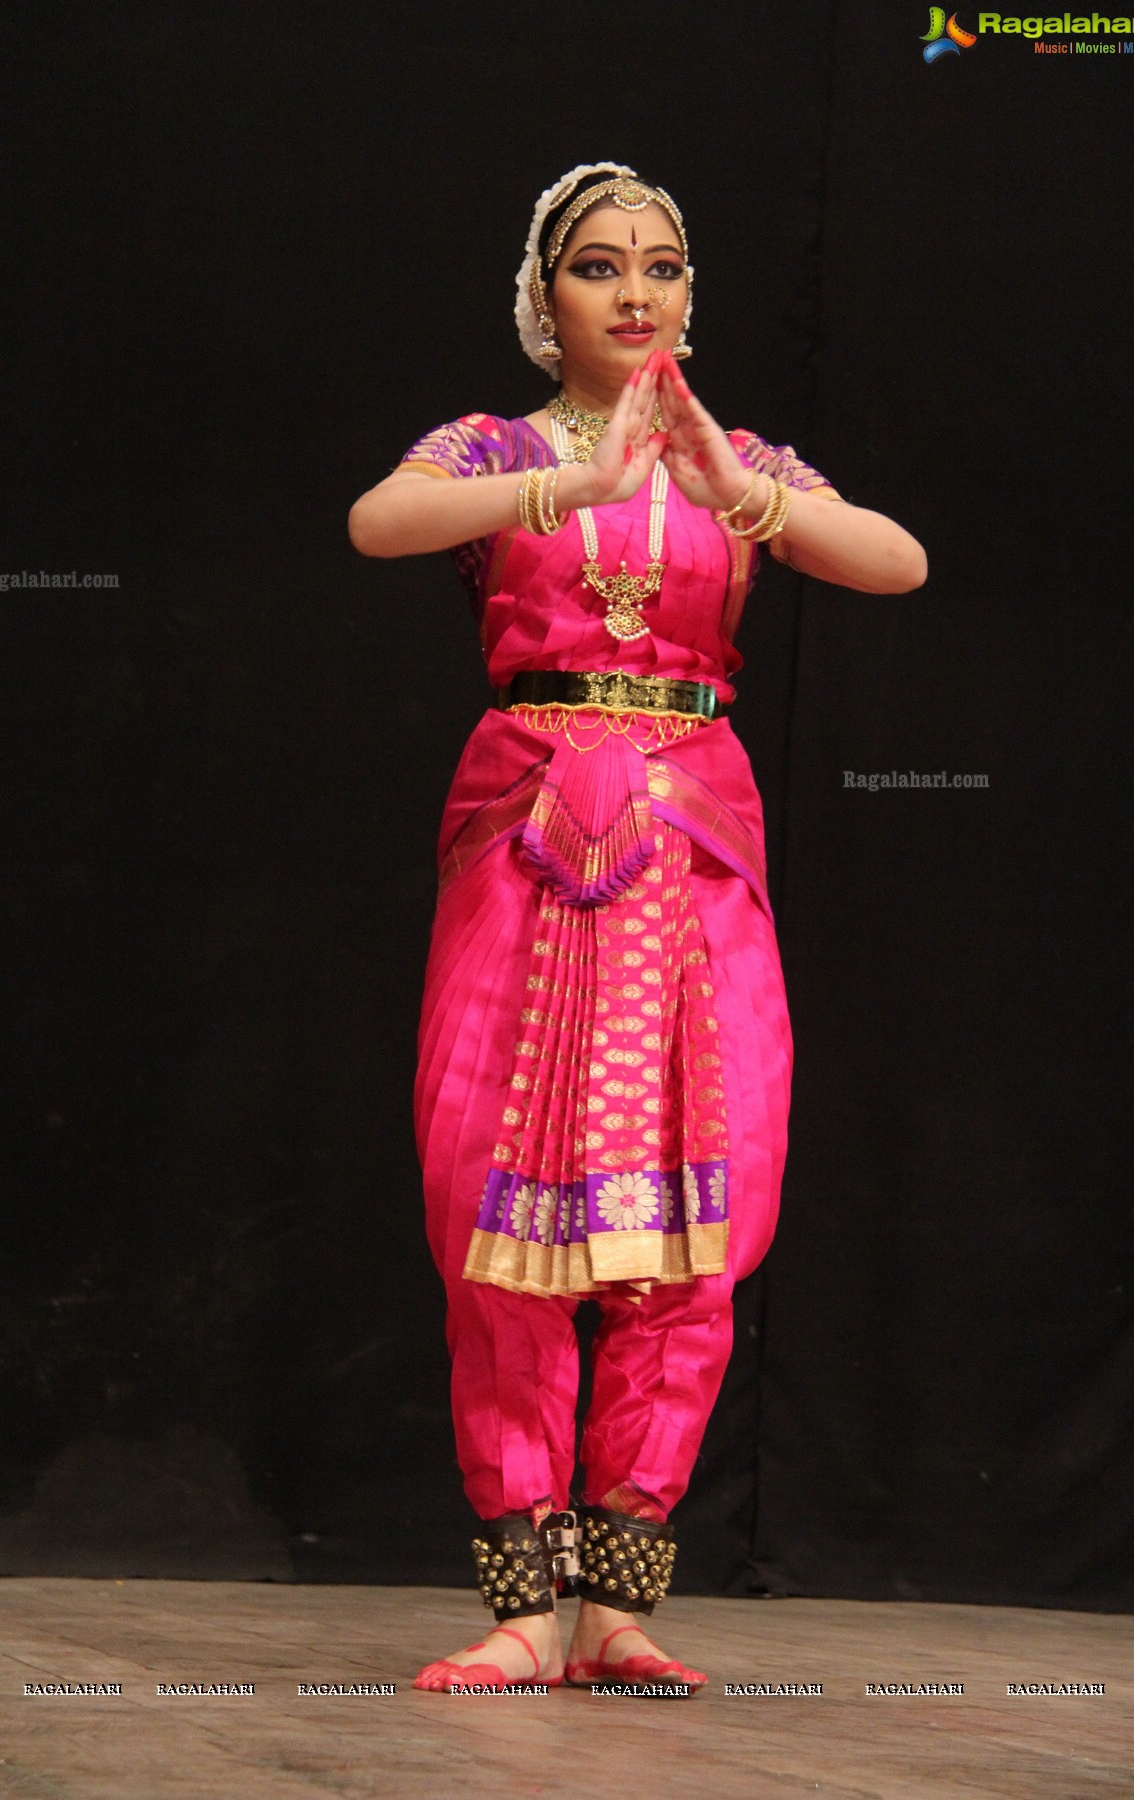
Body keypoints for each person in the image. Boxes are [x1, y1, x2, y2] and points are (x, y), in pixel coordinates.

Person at [348, 163, 926, 1693]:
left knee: (703, 1198)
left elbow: (898, 559)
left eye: (660, 268)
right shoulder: (494, 448)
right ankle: (525, 1606)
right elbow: (378, 521)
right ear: (547, 300)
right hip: (530, 827)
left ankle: (619, 1601)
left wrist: (751, 500)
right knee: (494, 1189)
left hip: (687, 836)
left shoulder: (740, 461)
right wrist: (565, 490)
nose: (634, 293)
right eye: (598, 267)